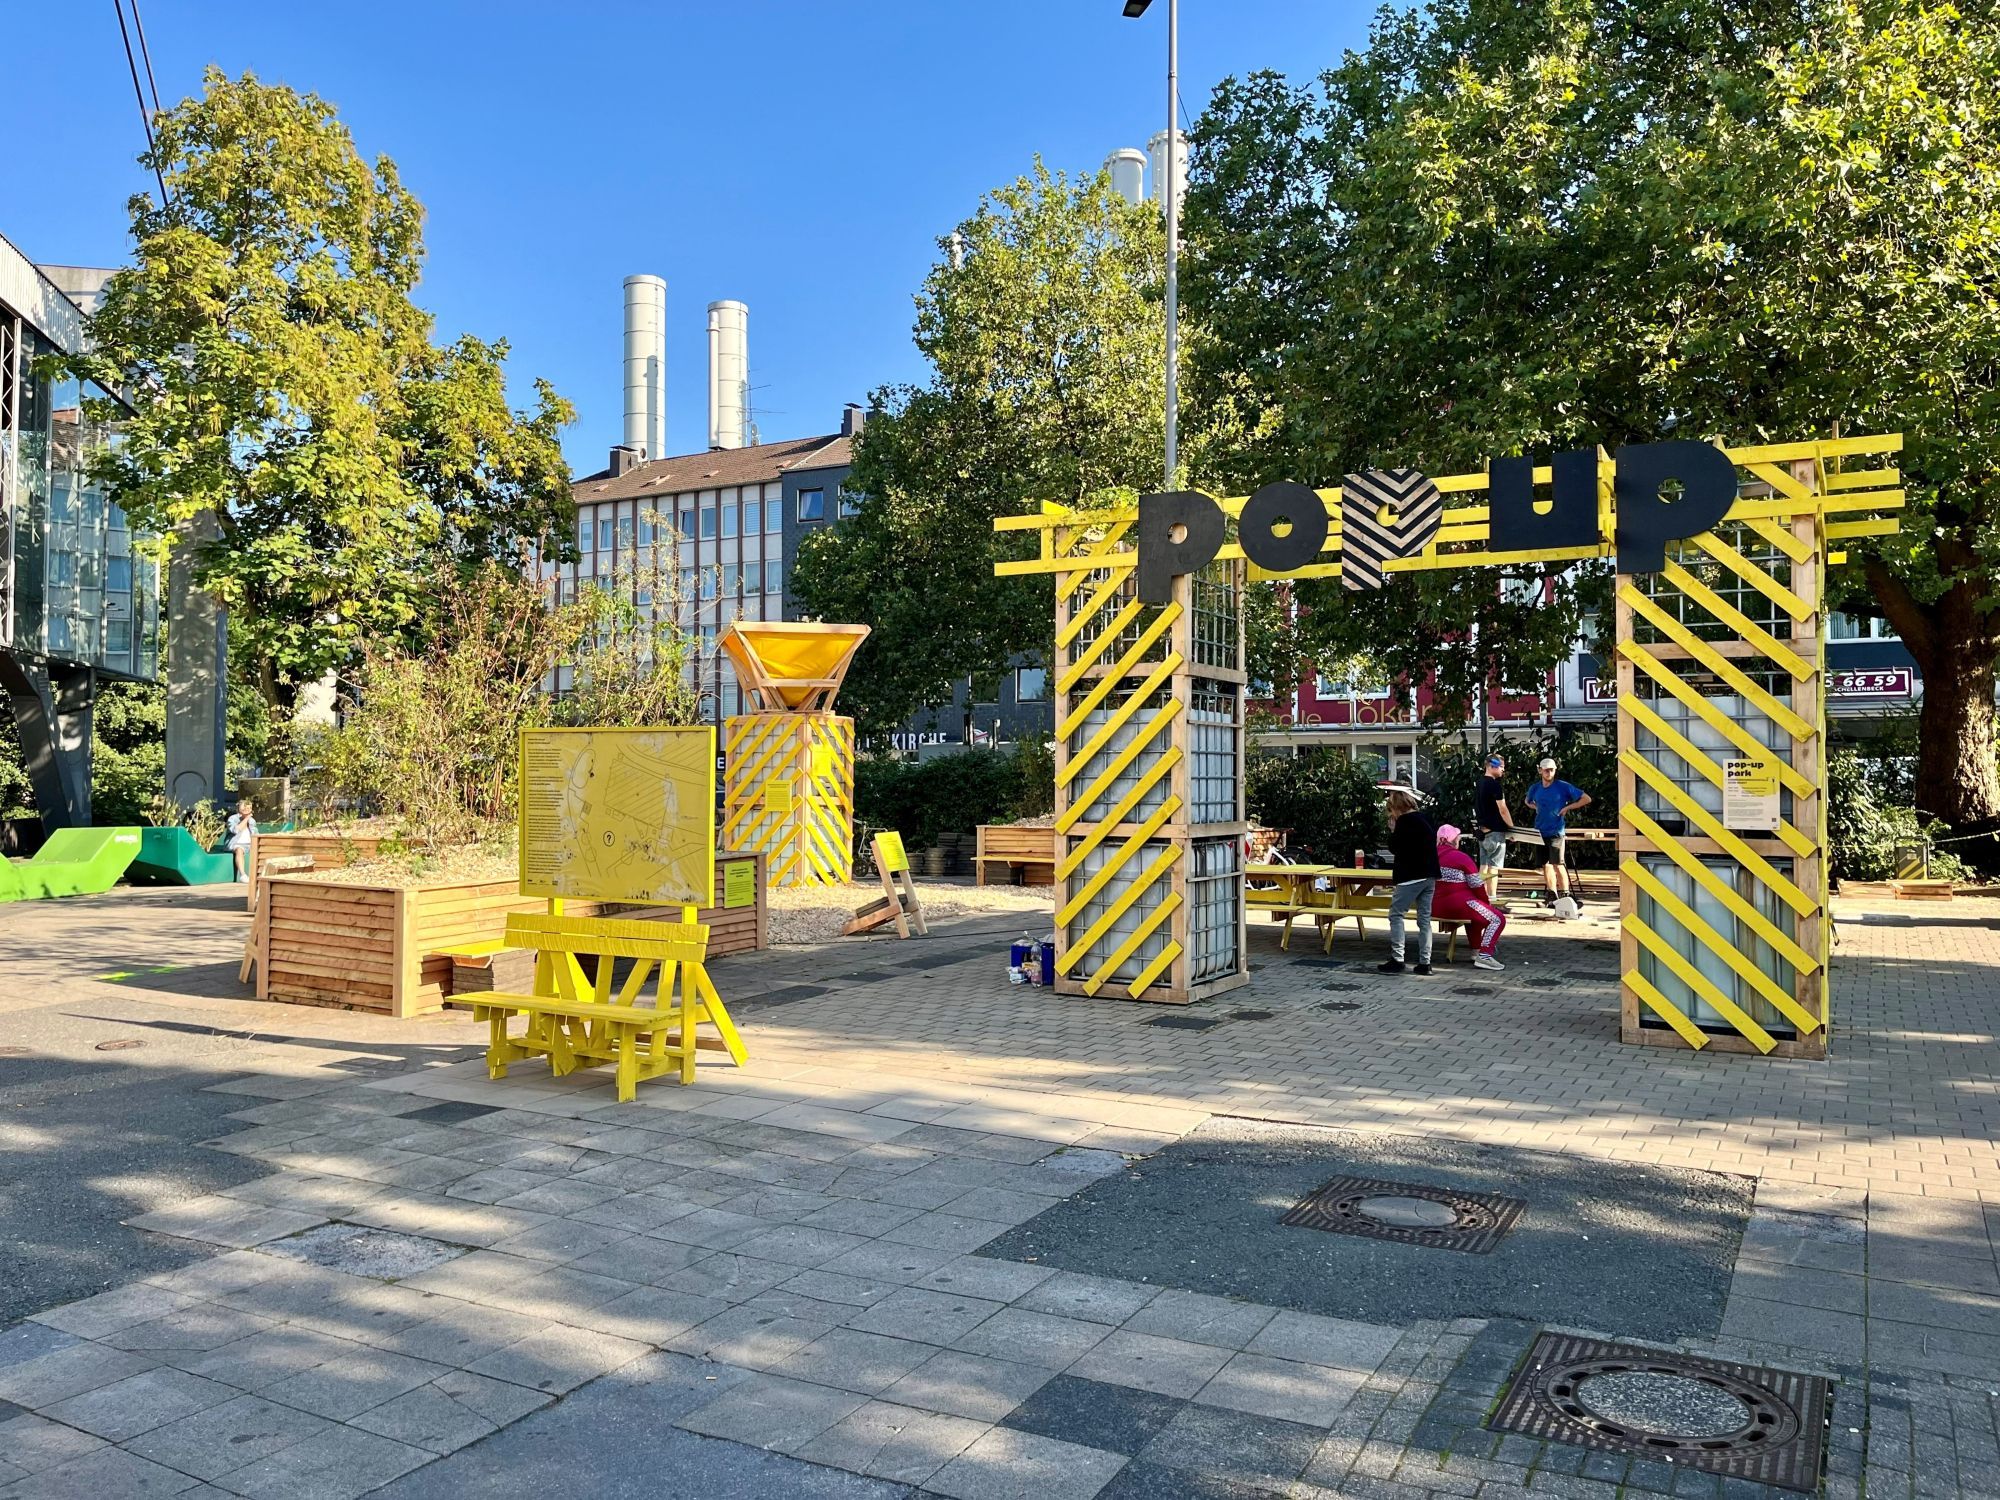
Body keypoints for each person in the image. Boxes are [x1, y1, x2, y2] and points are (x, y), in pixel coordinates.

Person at [1378, 788, 1440, 976]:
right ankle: (1425, 962)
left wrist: (1393, 830)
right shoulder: (1425, 818)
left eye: (1391, 810)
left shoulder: (1404, 822)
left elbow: (1396, 847)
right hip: (1430, 874)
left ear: (1397, 807)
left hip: (1411, 875)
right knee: (1424, 919)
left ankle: (1398, 959)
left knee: (1396, 914)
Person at [1432, 823, 1508, 971]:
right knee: (1498, 919)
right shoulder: (1461, 858)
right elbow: (1477, 885)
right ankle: (1485, 955)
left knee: (1474, 915)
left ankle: (1476, 950)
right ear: (1454, 840)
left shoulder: (1428, 856)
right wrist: (1486, 904)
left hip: (1433, 907)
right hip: (1458, 904)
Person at [1522, 757, 1591, 915]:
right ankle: (1552, 895)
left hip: (1556, 831)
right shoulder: (1535, 788)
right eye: (1546, 770)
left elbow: (1586, 798)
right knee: (1545, 864)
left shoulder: (1563, 787)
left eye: (1551, 770)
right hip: (1540, 830)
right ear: (1540, 770)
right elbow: (1527, 801)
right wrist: (1536, 807)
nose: (1549, 773)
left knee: (1558, 863)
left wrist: (1568, 807)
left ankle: (1566, 895)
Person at [1473, 753, 1514, 893]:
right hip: (1495, 832)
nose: (1503, 769)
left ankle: (1480, 896)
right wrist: (1512, 828)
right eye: (1501, 766)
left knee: (1483, 866)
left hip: (1482, 831)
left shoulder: (1479, 783)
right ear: (1492, 766)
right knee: (1494, 867)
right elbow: (1503, 809)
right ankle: (1492, 898)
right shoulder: (1495, 785)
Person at [226, 799, 257, 882]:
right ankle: (243, 875)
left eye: (249, 807)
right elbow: (235, 830)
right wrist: (246, 819)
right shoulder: (232, 819)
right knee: (239, 849)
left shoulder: (252, 821)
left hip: (249, 844)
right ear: (238, 808)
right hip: (235, 844)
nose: (247, 809)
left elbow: (255, 834)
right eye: (244, 806)